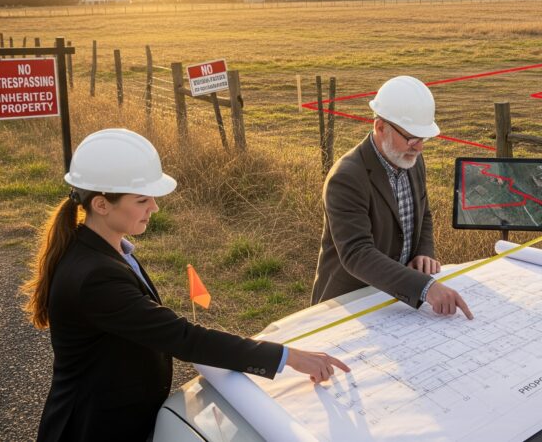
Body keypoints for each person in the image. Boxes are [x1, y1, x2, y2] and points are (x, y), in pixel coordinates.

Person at [24, 129, 349, 441]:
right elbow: (182, 337)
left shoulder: (101, 249)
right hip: (96, 427)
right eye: (141, 200)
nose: (154, 207)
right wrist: (288, 357)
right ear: (101, 204)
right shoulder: (95, 278)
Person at [312, 75, 473, 319]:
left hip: (396, 299)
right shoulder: (346, 178)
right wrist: (425, 287)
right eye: (411, 138)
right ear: (380, 127)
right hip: (352, 304)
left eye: (423, 139)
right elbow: (357, 254)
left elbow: (423, 212)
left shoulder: (411, 159)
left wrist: (424, 251)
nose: (419, 147)